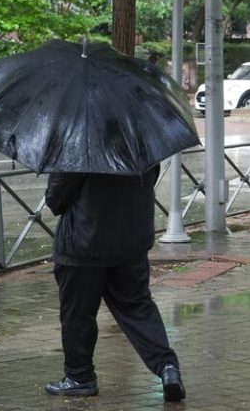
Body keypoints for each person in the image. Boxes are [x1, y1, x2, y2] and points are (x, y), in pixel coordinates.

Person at [44, 166, 186, 402]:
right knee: (138, 308)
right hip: (130, 241)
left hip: (85, 244)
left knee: (78, 314)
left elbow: (56, 199)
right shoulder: (139, 146)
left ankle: (80, 377)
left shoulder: (79, 150)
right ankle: (167, 368)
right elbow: (149, 179)